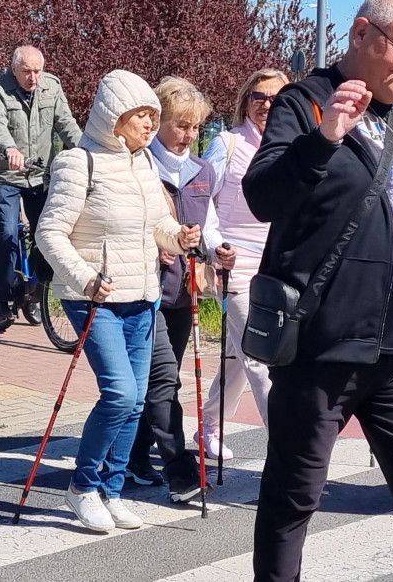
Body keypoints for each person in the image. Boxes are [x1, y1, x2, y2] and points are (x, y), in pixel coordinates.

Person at [244, 0, 393, 581]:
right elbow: (262, 194)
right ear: (362, 32)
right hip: (325, 347)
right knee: (292, 500)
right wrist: (324, 141)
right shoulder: (306, 102)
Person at [36, 69, 200, 533]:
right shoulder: (76, 162)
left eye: (153, 115)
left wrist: (180, 237)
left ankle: (110, 490)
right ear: (114, 116)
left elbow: (156, 226)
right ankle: (82, 488)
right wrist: (86, 278)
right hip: (94, 297)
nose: (151, 124)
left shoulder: (144, 163)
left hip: (142, 294)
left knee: (136, 400)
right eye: (142, 115)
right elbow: (50, 233)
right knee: (121, 394)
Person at [124, 76, 235, 503]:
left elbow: (206, 225)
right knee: (164, 379)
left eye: (195, 127)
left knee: (150, 383)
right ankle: (181, 471)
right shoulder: (139, 164)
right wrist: (157, 243)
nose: (188, 135)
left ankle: (133, 458)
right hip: (143, 288)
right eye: (179, 125)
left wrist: (218, 249)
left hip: (183, 292)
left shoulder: (202, 170)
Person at [196, 68, 289, 461]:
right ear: (246, 101)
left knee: (237, 354)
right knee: (260, 354)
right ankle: (288, 449)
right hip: (235, 262)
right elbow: (200, 202)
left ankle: (209, 427)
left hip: (279, 264)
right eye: (259, 97)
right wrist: (216, 248)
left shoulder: (293, 145)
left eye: (276, 98)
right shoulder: (227, 144)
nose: (267, 105)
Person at [0, 45, 83, 326]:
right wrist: (10, 149)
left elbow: (66, 123)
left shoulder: (51, 87)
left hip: (40, 175)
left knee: (48, 234)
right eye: (27, 71)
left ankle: (35, 295)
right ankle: (1, 299)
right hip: (7, 176)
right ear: (14, 69)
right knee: (9, 233)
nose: (33, 77)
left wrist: (88, 150)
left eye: (38, 71)